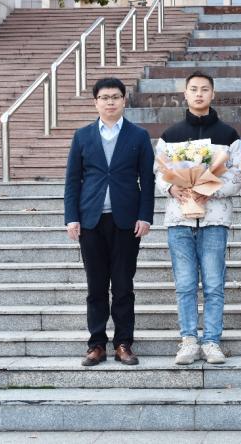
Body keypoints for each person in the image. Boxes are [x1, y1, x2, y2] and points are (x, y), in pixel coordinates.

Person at [64, 77, 155, 367]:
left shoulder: (138, 136)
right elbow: (72, 180)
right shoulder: (83, 136)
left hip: (126, 221)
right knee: (96, 286)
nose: (110, 102)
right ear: (96, 102)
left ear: (124, 100)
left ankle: (123, 343)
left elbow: (148, 180)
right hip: (91, 221)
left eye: (115, 97)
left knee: (123, 285)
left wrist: (145, 216)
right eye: (104, 97)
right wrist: (71, 218)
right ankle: (96, 344)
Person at [155, 72, 241, 365]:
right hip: (179, 219)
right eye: (193, 89)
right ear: (185, 94)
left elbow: (238, 175)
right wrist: (172, 188)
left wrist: (210, 190)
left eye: (205, 89)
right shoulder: (170, 135)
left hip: (214, 220)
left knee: (214, 284)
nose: (199, 94)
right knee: (185, 284)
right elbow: (159, 173)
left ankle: (212, 340)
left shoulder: (228, 135)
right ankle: (189, 340)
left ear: (213, 94)